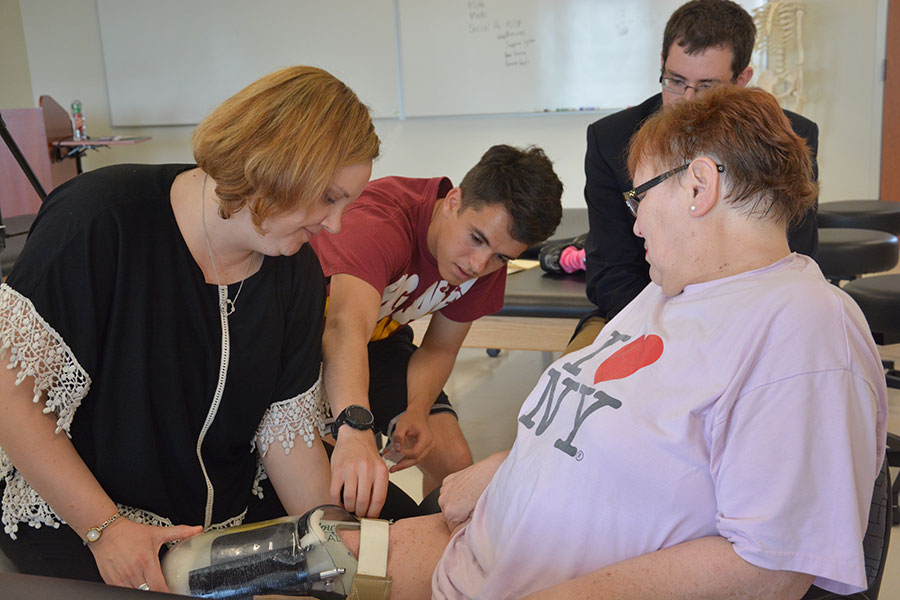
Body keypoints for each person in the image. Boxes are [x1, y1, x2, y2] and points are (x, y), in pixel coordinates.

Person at [333, 86, 888, 599]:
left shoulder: (803, 326)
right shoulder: (666, 293)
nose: (635, 226)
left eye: (638, 199)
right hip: (458, 555)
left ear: (699, 186)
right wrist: (509, 464)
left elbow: (770, 568)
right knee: (281, 565)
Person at [0, 65, 379, 592]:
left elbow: (285, 437)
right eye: (328, 198)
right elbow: (10, 400)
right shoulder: (99, 220)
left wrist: (342, 549)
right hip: (80, 519)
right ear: (274, 168)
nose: (335, 225)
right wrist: (105, 530)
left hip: (214, 533)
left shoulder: (295, 270)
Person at [308, 145, 564, 516]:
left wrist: (417, 409)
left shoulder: (485, 264)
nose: (479, 264)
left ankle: (438, 559)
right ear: (453, 201)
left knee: (453, 460)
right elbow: (343, 329)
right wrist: (355, 426)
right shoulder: (380, 224)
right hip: (312, 340)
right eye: (476, 238)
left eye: (501, 257)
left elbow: (440, 349)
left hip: (379, 338)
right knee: (341, 482)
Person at [574, 0, 820, 351]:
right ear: (661, 62)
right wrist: (679, 335)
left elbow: (792, 255)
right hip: (647, 314)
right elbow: (609, 272)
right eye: (675, 81)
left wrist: (723, 334)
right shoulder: (611, 139)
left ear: (742, 80)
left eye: (707, 86)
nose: (686, 101)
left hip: (752, 320)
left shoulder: (788, 135)